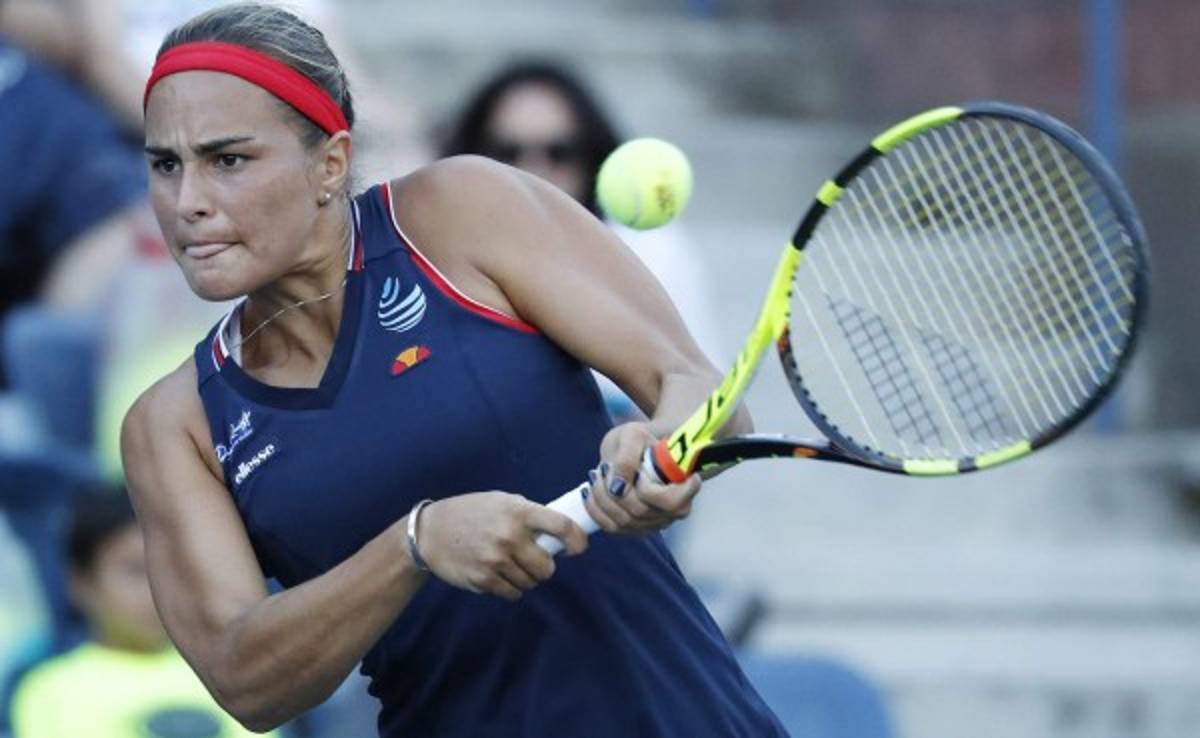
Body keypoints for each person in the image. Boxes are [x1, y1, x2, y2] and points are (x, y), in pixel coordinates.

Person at [121, 4, 786, 737]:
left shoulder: (462, 212)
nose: (187, 203)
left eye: (228, 160)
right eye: (165, 165)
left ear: (330, 164)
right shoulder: (172, 425)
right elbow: (245, 679)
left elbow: (702, 394)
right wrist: (415, 544)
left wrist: (663, 447)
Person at [441, 61, 726, 422]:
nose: (532, 170)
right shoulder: (429, 255)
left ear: (591, 158)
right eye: (506, 151)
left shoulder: (654, 251)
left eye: (558, 152)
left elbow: (711, 411)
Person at [8, 489, 273, 738]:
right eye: (135, 571)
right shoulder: (49, 690)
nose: (157, 589)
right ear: (81, 583)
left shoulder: (237, 672)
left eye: (171, 567)